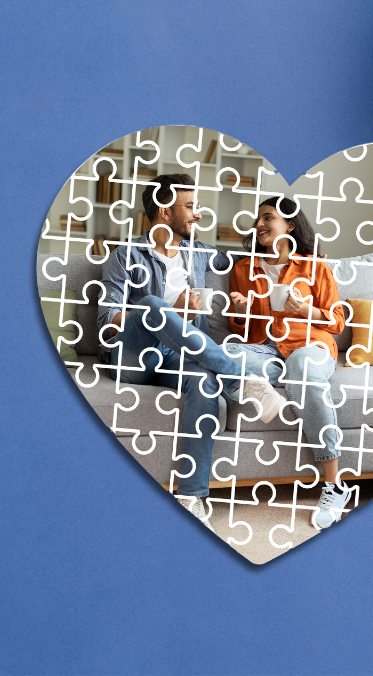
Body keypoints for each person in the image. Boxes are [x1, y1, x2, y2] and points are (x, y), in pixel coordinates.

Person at [96, 174, 284, 531]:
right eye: (191, 206)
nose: (198, 214)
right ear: (165, 212)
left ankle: (191, 497)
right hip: (134, 355)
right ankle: (242, 379)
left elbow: (252, 257)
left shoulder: (199, 253)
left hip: (176, 355)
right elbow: (106, 321)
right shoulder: (126, 255)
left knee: (203, 382)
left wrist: (303, 252)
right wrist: (172, 314)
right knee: (152, 304)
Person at [226, 197, 350, 530]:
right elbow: (240, 329)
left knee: (303, 368)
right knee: (227, 353)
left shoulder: (316, 267)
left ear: (290, 225)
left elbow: (337, 322)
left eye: (268, 217)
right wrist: (238, 311)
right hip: (267, 350)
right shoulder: (243, 268)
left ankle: (334, 485)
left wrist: (304, 311)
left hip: (310, 348)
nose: (259, 225)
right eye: (257, 220)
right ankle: (270, 386)